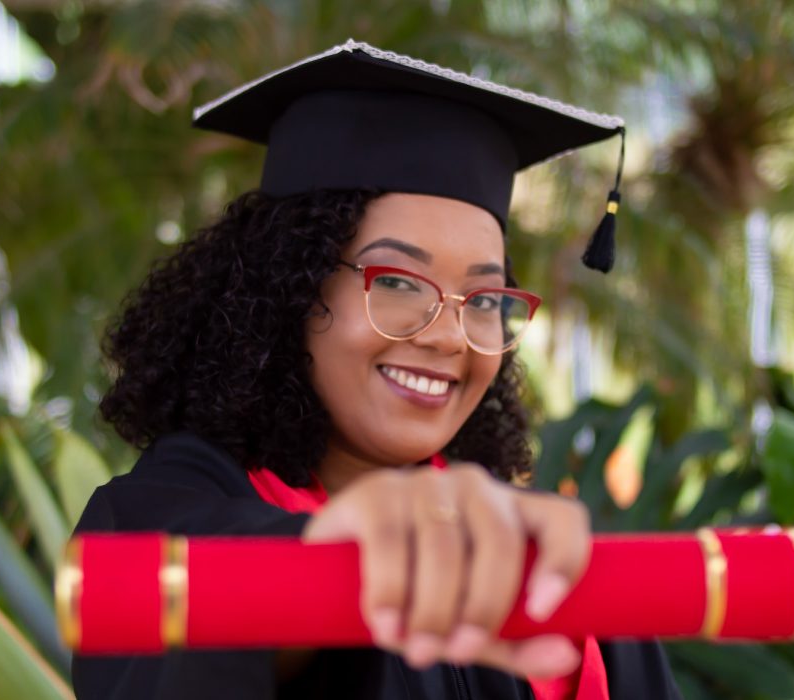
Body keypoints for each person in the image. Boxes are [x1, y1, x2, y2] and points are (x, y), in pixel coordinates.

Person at [72, 40, 681, 699]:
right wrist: (359, 555)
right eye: (397, 282)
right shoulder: (154, 519)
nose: (449, 336)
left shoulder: (549, 561)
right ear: (290, 289)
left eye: (482, 299)